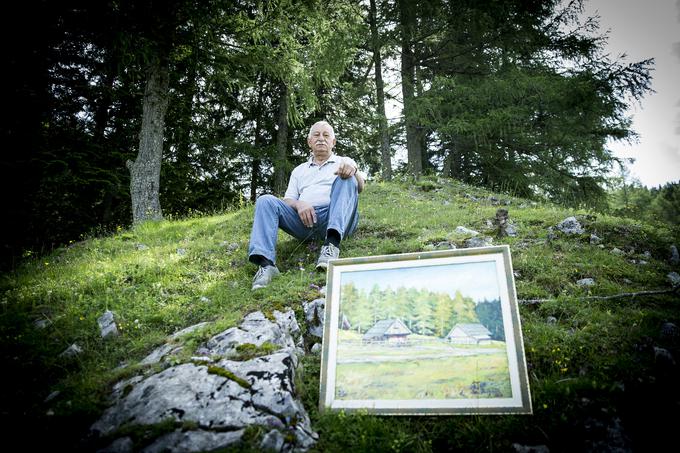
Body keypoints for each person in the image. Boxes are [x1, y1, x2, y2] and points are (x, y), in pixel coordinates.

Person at [248, 120, 365, 290]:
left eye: (326, 135)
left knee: (347, 179)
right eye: (316, 135)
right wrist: (299, 204)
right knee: (265, 200)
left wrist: (353, 171)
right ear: (309, 142)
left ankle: (331, 246)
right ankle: (266, 265)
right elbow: (288, 200)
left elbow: (360, 187)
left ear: (333, 142)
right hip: (305, 221)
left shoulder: (344, 161)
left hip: (337, 217)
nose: (321, 139)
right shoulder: (299, 170)